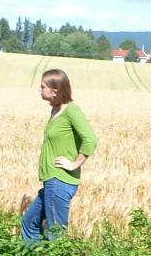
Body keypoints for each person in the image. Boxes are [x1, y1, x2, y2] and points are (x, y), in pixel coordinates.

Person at [21, 68, 97, 243]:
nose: (39, 90)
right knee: (29, 222)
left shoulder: (71, 111)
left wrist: (74, 164)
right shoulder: (56, 110)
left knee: (56, 234)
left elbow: (90, 139)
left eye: (42, 87)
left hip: (60, 181)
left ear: (55, 91)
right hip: (51, 181)